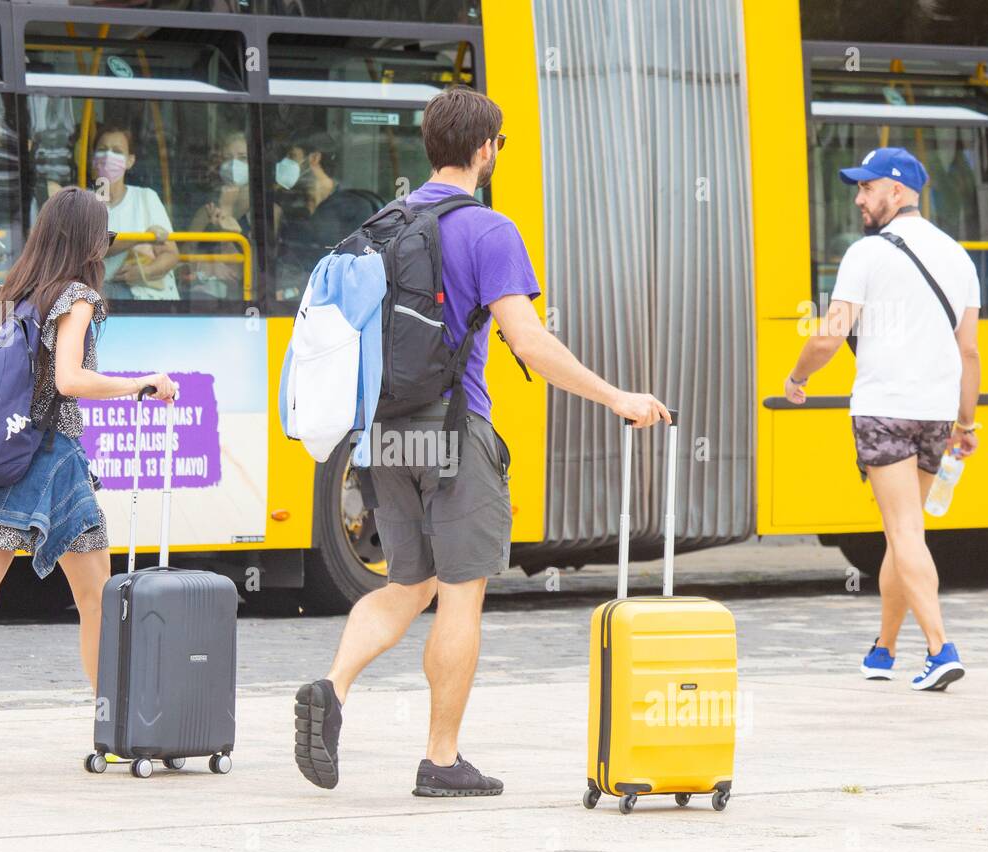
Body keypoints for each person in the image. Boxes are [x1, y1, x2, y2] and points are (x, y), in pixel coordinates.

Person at [293, 86, 670, 797]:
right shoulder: (488, 230)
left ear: (429, 146)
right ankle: (441, 760)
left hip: (382, 434)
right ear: (486, 149)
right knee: (460, 598)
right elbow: (528, 340)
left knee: (407, 583)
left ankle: (333, 686)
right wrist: (617, 396)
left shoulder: (382, 223)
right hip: (453, 432)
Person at [0, 186, 179, 767]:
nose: (108, 248)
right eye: (106, 237)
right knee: (95, 596)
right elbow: (69, 380)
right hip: (51, 465)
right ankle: (113, 727)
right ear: (88, 242)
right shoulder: (77, 297)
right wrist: (141, 383)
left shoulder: (2, 294)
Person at [784, 147, 981, 691]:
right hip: (936, 415)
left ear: (897, 192)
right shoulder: (958, 257)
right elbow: (969, 353)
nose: (858, 197)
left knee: (904, 532)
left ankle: (941, 650)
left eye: (867, 187)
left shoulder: (866, 254)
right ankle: (884, 650)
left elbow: (828, 335)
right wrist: (966, 424)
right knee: (903, 533)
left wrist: (797, 379)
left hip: (885, 410)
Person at [273, 131, 380, 297]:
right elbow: (282, 260)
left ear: (314, 159)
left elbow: (360, 267)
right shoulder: (289, 206)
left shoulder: (355, 207)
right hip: (286, 307)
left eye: (292, 156)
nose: (283, 164)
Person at [90, 123, 179, 301]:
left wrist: (145, 272)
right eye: (102, 149)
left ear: (130, 161)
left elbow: (170, 254)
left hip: (144, 295)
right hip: (99, 294)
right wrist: (141, 237)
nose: (108, 156)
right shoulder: (85, 201)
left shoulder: (146, 197)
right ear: (93, 158)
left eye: (117, 151)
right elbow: (93, 248)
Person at [187, 129, 252, 301]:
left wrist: (226, 209)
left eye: (243, 158)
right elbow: (183, 258)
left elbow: (257, 272)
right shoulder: (206, 212)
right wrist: (206, 266)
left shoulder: (268, 212)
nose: (233, 165)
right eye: (228, 158)